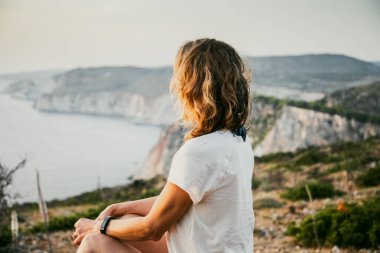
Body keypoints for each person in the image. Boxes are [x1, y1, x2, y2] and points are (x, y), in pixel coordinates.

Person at [72, 38, 255, 253]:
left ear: (191, 88)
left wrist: (95, 226)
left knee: (95, 242)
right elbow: (179, 200)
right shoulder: (236, 139)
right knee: (128, 218)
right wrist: (118, 208)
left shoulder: (199, 152)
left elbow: (152, 228)